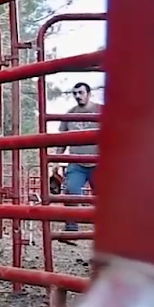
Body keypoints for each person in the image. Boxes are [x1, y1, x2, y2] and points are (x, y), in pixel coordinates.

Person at [55, 81, 101, 235]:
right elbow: (62, 140)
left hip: (99, 162)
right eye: (75, 93)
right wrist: (56, 160)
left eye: (81, 92)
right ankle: (71, 229)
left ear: (89, 94)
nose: (77, 96)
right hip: (77, 163)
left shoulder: (102, 111)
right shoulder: (69, 115)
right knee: (71, 190)